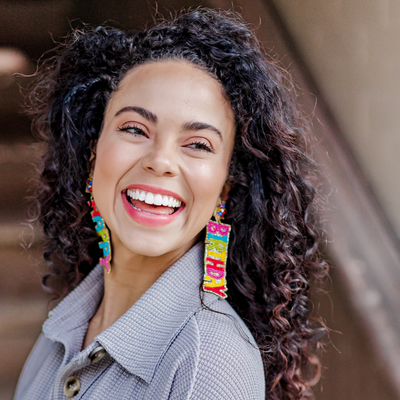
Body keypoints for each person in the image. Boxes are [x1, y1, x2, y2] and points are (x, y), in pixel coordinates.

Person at [14, 8, 326, 400]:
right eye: (134, 129)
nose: (160, 161)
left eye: (198, 144)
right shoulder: (62, 330)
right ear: (91, 154)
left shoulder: (209, 363)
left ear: (225, 189)